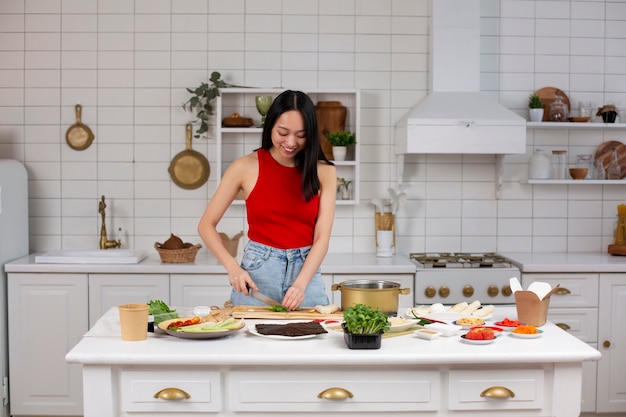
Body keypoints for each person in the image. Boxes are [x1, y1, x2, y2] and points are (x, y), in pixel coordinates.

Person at [198, 90, 336, 310]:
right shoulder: (244, 167)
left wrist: (300, 285)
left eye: (301, 135)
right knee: (248, 341)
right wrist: (233, 268)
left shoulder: (325, 172)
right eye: (283, 132)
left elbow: (322, 238)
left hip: (306, 274)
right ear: (270, 126)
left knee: (316, 338)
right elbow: (206, 225)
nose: (291, 142)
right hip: (258, 273)